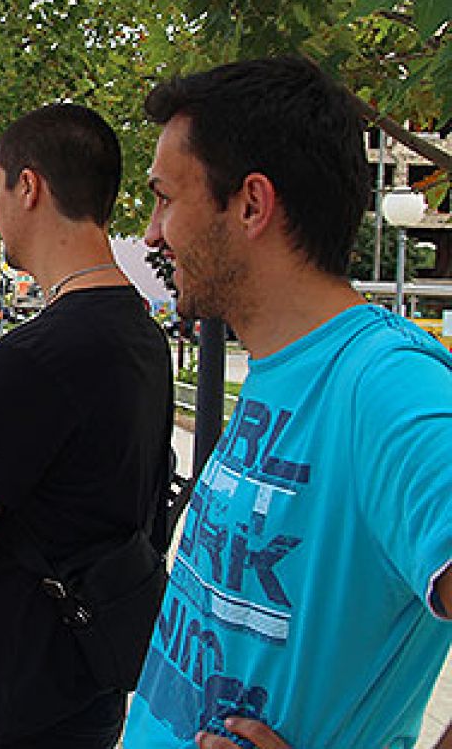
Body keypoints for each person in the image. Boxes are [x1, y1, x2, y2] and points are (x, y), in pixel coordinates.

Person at [123, 56, 452, 749]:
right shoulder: (282, 365)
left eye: (164, 197)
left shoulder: (387, 385)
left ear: (250, 204)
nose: (153, 233)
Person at [0, 104, 174, 748]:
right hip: (90, 678)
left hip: (3, 694)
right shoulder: (143, 336)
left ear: (29, 186)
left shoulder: (33, 357)